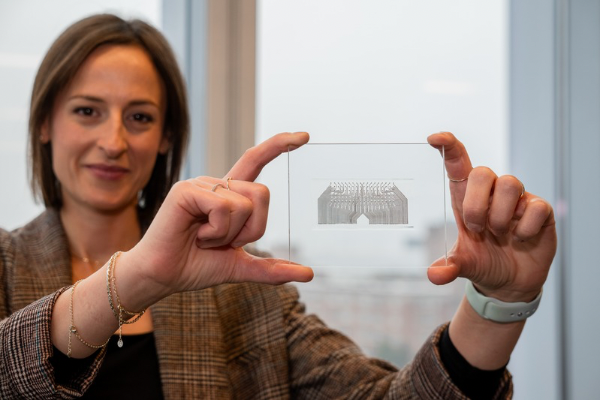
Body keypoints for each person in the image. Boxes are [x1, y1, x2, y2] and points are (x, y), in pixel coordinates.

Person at [0, 14, 556, 400]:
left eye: (140, 117)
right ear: (45, 123)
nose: (115, 141)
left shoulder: (242, 290)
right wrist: (136, 278)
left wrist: (498, 302)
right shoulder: (6, 266)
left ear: (167, 137)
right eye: (87, 111)